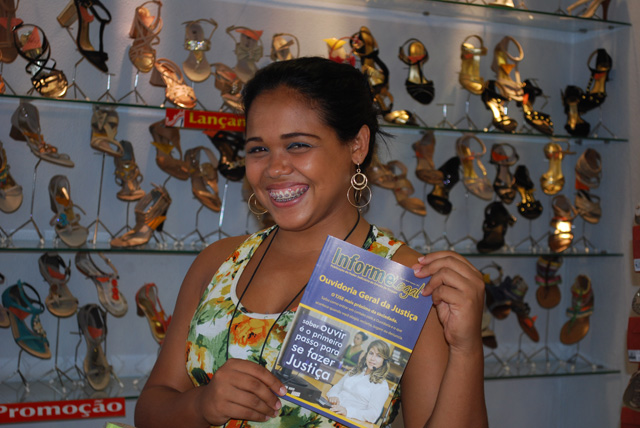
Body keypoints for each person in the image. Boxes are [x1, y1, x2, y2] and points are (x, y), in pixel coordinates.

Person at [135, 56, 488, 428]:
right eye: (258, 149)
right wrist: (201, 404)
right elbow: (151, 410)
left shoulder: (405, 281)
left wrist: (467, 350)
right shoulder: (220, 262)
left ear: (357, 145)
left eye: (298, 145)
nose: (275, 168)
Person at [327, 340, 391, 423]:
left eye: (378, 356)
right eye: (371, 353)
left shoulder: (382, 386)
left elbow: (373, 414)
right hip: (332, 410)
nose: (372, 358)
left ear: (384, 361)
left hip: (349, 420)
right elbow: (337, 386)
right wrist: (333, 396)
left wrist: (347, 411)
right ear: (366, 355)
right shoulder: (355, 370)